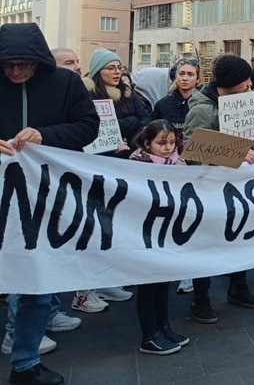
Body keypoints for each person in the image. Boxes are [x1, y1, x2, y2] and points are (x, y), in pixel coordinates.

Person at [0, 22, 100, 385]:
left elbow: (88, 127)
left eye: (23, 64)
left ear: (39, 60)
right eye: (7, 65)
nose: (15, 72)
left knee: (39, 285)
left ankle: (25, 362)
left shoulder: (66, 83)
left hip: (48, 202)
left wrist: (46, 136)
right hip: (3, 200)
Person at [182, 54, 254, 321]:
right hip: (208, 188)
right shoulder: (201, 110)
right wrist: (237, 153)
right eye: (245, 83)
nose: (248, 88)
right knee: (206, 243)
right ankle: (201, 297)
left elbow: (249, 139)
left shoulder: (236, 102)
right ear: (231, 83)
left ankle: (238, 286)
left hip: (233, 185)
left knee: (239, 236)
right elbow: (192, 150)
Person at [76, 49, 149, 312]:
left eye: (119, 67)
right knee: (95, 225)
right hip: (97, 168)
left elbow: (146, 120)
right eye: (110, 68)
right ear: (97, 71)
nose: (117, 72)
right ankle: (83, 291)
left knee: (114, 225)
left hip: (124, 163)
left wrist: (122, 125)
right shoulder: (88, 96)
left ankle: (105, 279)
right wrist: (128, 126)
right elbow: (94, 128)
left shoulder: (130, 93)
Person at [128, 121, 190, 355]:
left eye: (172, 142)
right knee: (148, 283)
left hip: (168, 229)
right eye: (161, 143)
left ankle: (163, 326)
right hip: (145, 232)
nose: (168, 148)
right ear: (147, 143)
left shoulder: (178, 161)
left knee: (164, 278)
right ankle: (149, 335)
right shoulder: (137, 163)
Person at [150, 58, 200, 295]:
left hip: (195, 171)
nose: (185, 78)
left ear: (198, 79)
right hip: (167, 173)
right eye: (181, 73)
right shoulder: (162, 104)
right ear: (175, 77)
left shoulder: (203, 104)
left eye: (190, 74)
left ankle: (188, 274)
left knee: (191, 221)